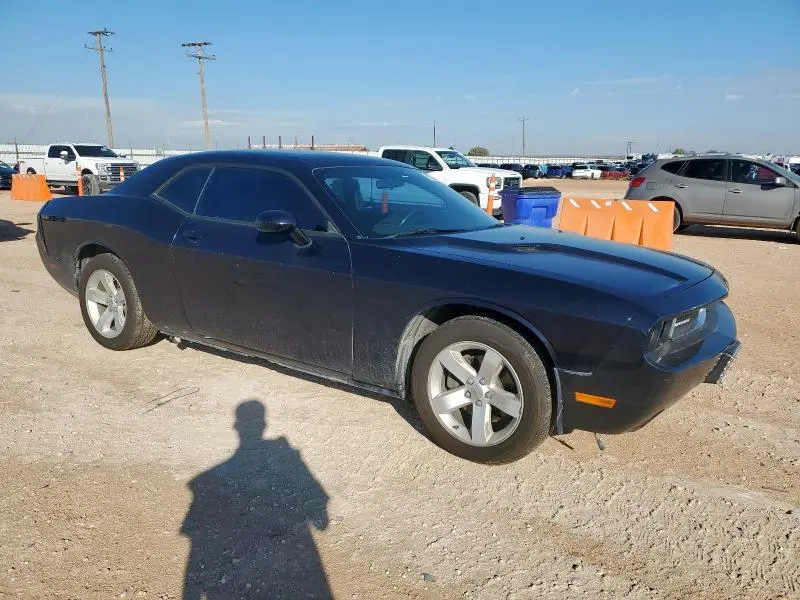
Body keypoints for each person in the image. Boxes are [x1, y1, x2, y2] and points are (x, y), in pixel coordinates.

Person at [181, 400, 331, 599]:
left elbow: (196, 545)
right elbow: (322, 523)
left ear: (236, 427)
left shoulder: (203, 482)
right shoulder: (288, 456)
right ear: (263, 424)